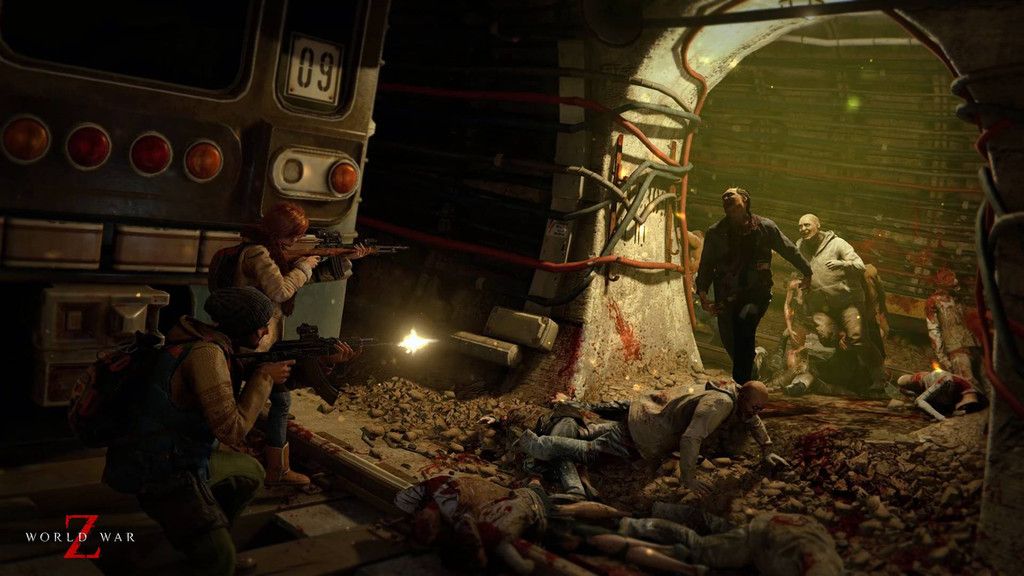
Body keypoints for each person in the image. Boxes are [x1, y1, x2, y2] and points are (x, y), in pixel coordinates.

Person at [103, 287, 296, 575]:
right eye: (260, 325)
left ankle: (207, 534)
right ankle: (208, 546)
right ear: (241, 327)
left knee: (250, 473)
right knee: (221, 561)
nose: (265, 332)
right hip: (161, 472)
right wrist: (264, 378)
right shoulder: (206, 355)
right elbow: (232, 431)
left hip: (182, 457)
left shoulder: (203, 340)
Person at [227, 202, 366, 486]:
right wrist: (304, 265)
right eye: (294, 235)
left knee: (280, 400)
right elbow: (281, 290)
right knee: (258, 402)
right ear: (280, 233)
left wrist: (345, 259)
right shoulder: (257, 254)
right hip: (251, 343)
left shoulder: (270, 252)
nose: (297, 241)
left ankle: (276, 467)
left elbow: (307, 280)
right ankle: (246, 459)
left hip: (262, 341)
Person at [516, 380, 788, 494]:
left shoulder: (737, 397)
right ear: (744, 397)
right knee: (591, 452)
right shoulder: (721, 404)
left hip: (645, 417)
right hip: (646, 433)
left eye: (759, 409)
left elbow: (753, 421)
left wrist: (767, 449)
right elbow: (691, 439)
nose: (756, 413)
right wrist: (689, 478)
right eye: (755, 407)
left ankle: (551, 434)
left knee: (596, 437)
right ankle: (537, 444)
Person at [394, 475, 629, 574]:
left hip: (527, 505)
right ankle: (622, 517)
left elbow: (480, 540)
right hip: (522, 496)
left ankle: (623, 521)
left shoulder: (453, 510)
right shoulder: (441, 491)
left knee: (571, 520)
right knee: (567, 511)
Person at [696, 188, 812, 384]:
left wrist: (807, 271)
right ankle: (753, 369)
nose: (726, 197)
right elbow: (706, 264)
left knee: (744, 327)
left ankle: (744, 384)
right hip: (726, 295)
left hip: (756, 293)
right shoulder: (715, 233)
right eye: (723, 197)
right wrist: (703, 292)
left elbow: (788, 249)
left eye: (730, 194)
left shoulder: (765, 227)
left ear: (745, 200)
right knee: (728, 338)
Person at [609, 503, 843, 576]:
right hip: (764, 535)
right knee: (701, 549)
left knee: (720, 528)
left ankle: (660, 510)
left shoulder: (831, 567)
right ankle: (633, 525)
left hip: (784, 527)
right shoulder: (820, 569)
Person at [795, 214, 887, 396]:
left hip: (847, 302)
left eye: (807, 225)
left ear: (818, 225)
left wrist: (841, 264)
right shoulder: (800, 246)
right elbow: (799, 268)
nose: (803, 229)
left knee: (858, 338)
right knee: (825, 334)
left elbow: (860, 265)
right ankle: (843, 364)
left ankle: (879, 378)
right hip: (822, 305)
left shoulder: (837, 244)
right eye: (800, 226)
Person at [925, 268, 982, 393]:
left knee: (985, 382)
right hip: (956, 350)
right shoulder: (933, 302)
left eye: (953, 277)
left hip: (973, 347)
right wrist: (942, 357)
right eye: (948, 278)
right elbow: (934, 331)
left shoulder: (958, 299)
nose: (953, 280)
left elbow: (969, 321)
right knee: (967, 385)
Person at [897, 369, 985, 421]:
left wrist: (941, 418)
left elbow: (919, 398)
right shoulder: (917, 377)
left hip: (945, 382)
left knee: (919, 401)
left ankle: (943, 417)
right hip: (951, 381)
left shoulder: (915, 381)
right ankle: (949, 414)